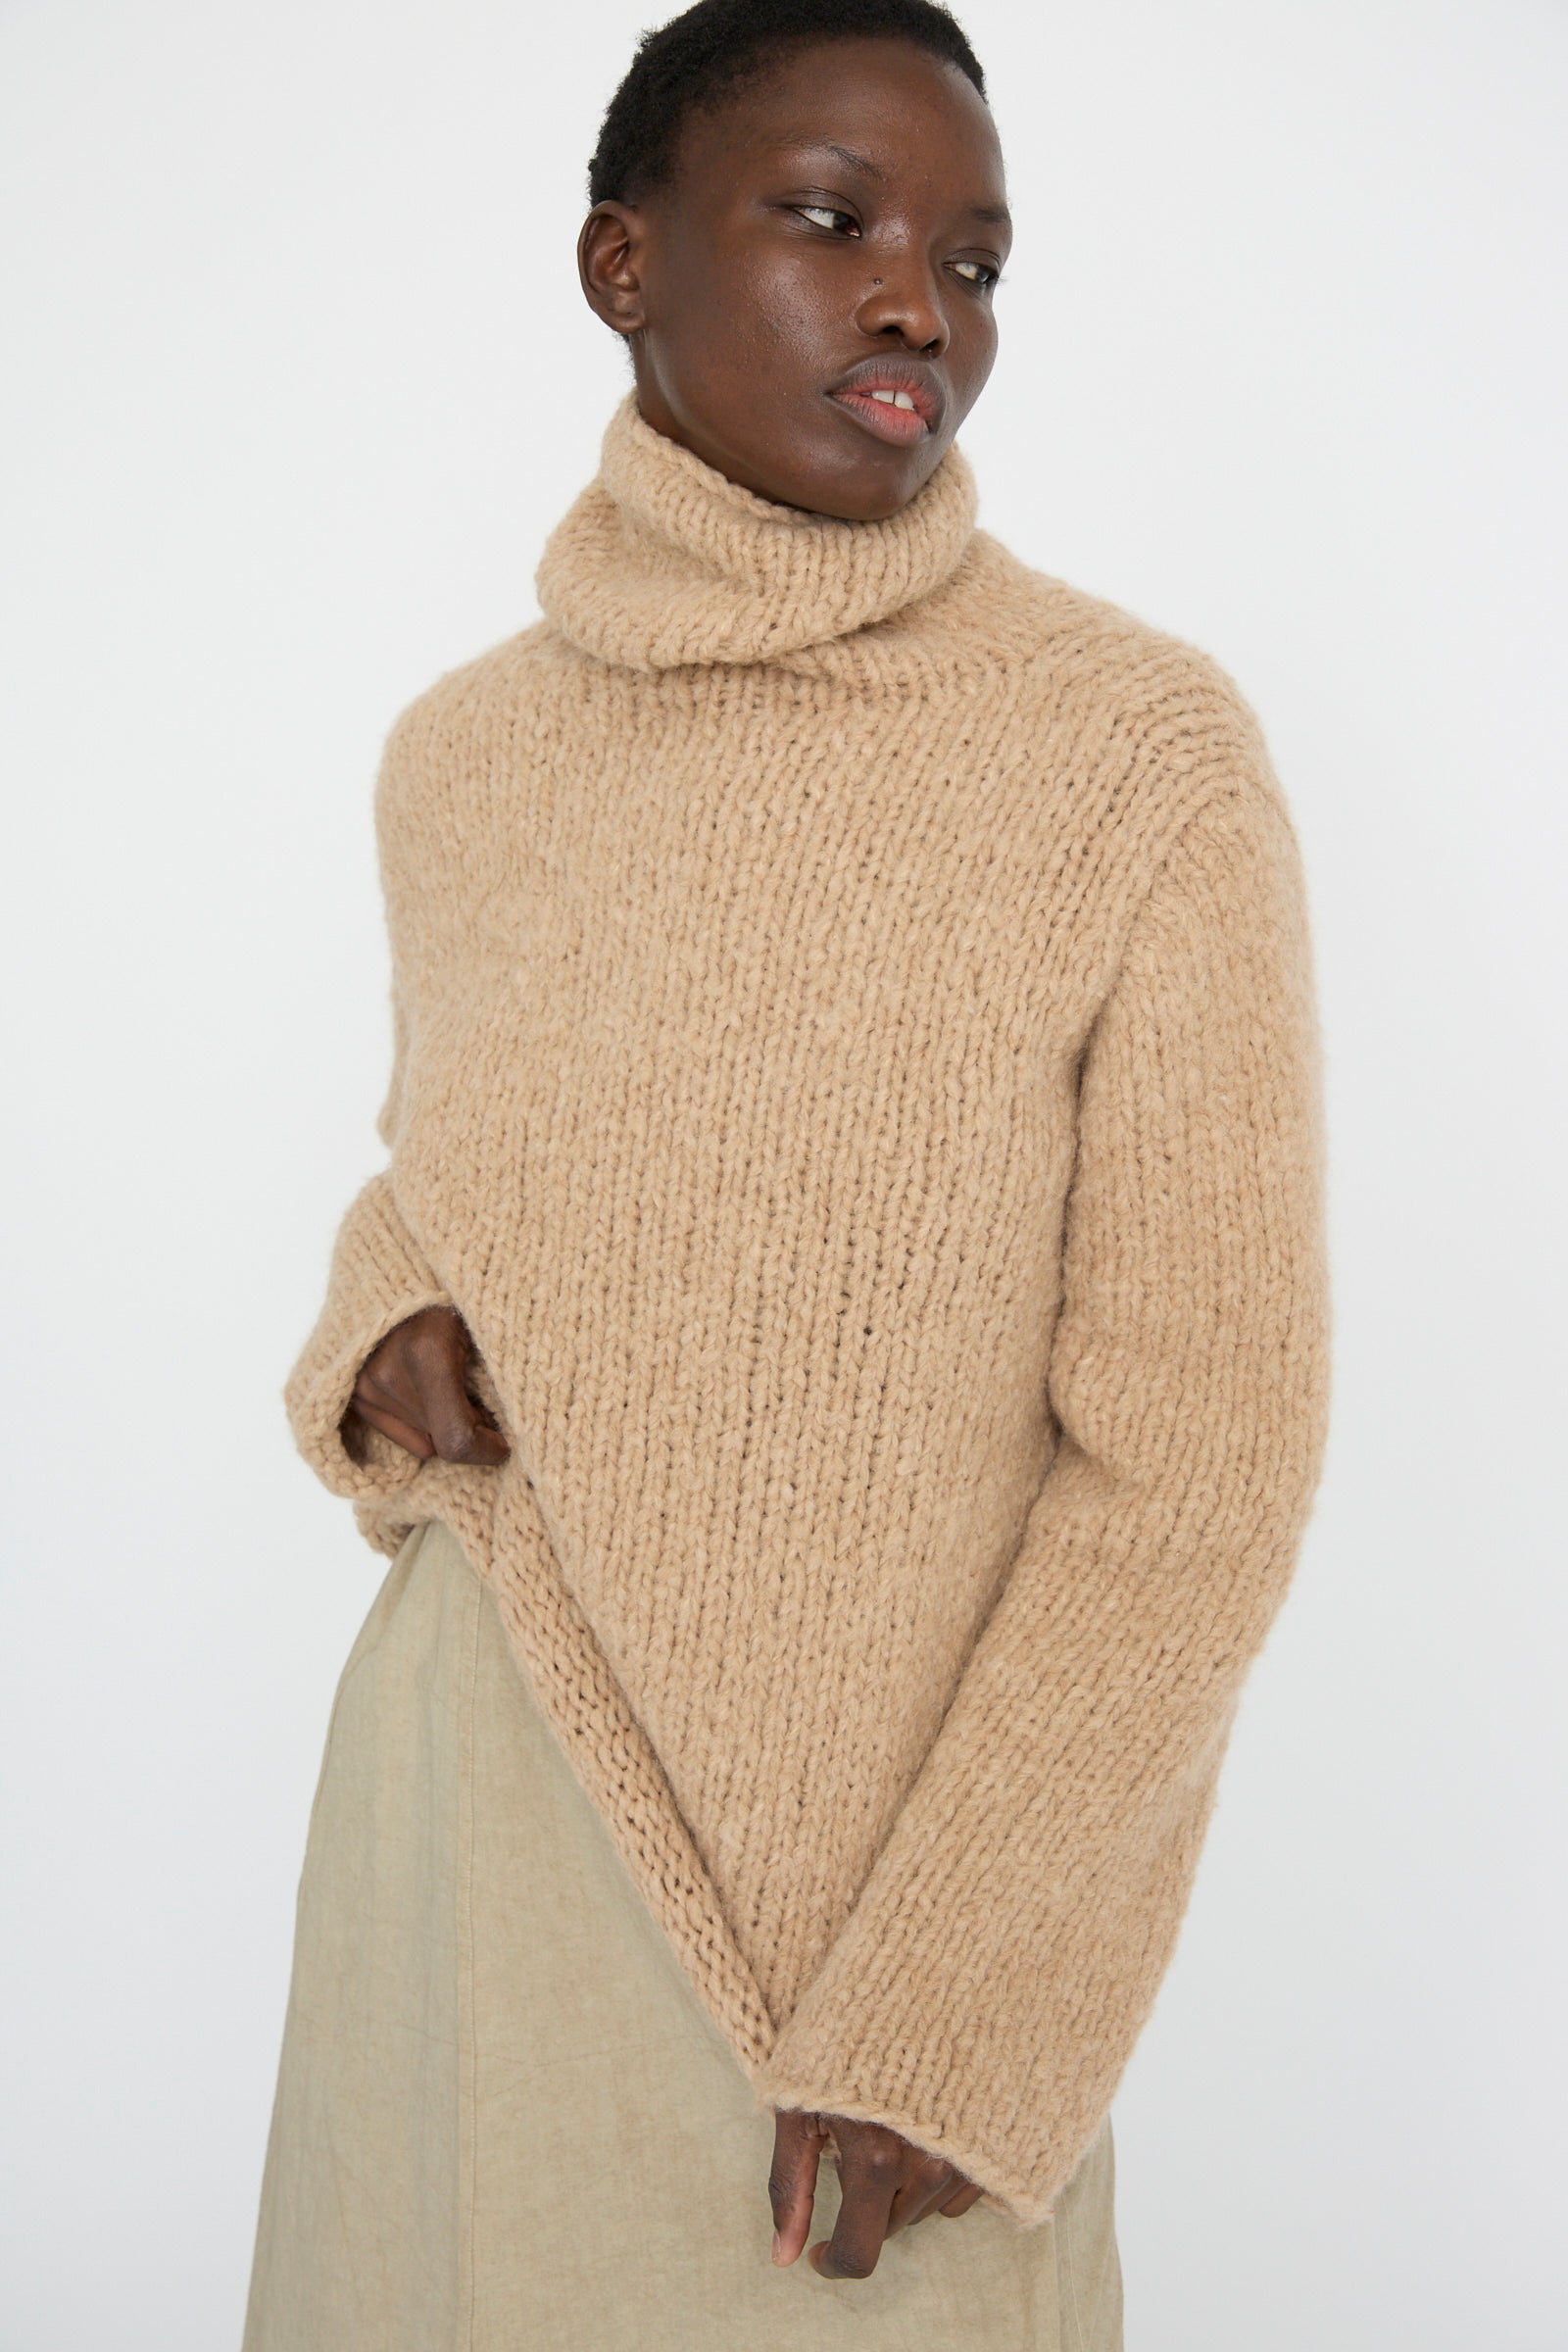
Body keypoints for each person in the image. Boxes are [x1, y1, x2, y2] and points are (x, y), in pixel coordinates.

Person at [243, 1, 1330, 2343]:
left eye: (971, 254)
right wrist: (378, 1331)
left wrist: (967, 1995)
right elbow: (461, 1171)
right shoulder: (462, 759)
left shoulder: (1130, 756)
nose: (915, 302)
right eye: (828, 220)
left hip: (880, 1939)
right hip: (474, 1806)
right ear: (619, 264)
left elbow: (1203, 1448)